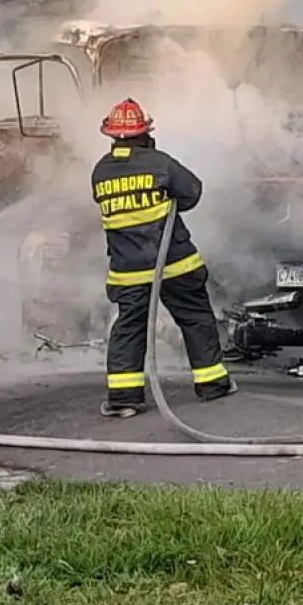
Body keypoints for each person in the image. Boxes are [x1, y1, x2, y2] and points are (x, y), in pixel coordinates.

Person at [91, 97, 236, 418]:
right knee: (195, 318)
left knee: (129, 327)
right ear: (144, 132)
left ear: (112, 136)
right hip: (174, 264)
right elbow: (192, 191)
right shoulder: (159, 163)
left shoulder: (100, 172)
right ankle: (212, 385)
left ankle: (123, 398)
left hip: (127, 272)